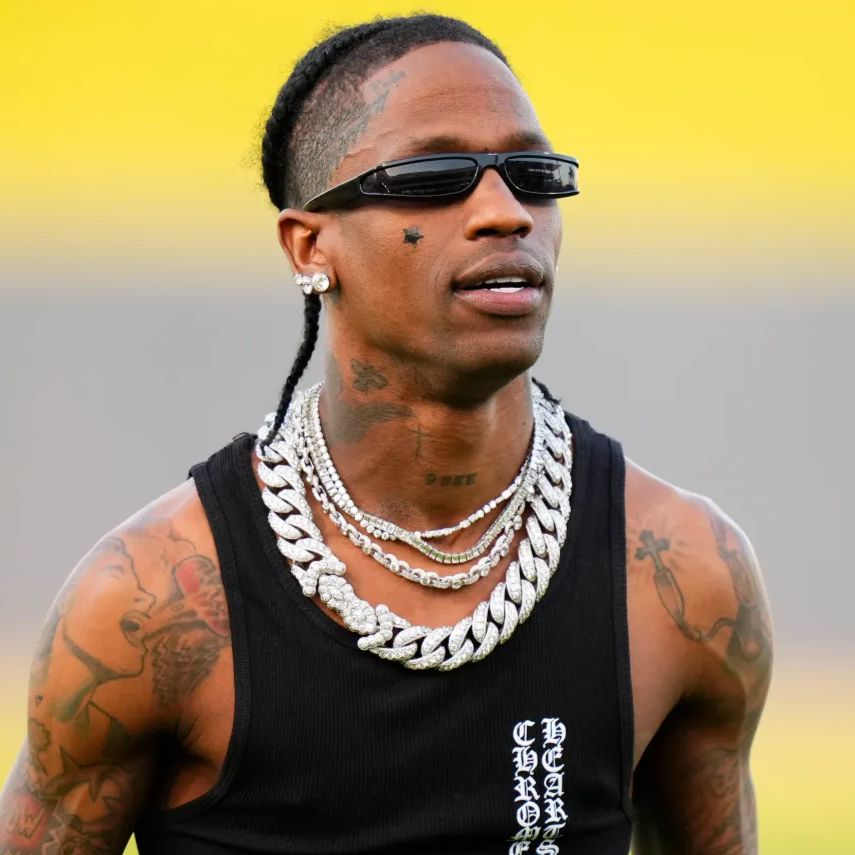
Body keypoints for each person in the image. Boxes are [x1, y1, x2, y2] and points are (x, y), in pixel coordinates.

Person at [0, 13, 773, 855]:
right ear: (309, 246)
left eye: (532, 175)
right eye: (434, 176)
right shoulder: (150, 606)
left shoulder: (683, 578)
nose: (504, 212)